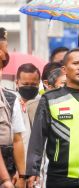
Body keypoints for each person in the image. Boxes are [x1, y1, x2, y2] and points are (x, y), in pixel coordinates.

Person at [26, 48, 79, 188]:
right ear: (64, 69)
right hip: (59, 177)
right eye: (76, 63)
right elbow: (37, 137)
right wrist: (32, 170)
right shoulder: (50, 98)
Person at [0, 38, 18, 188]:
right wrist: (5, 179)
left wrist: (21, 171)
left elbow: (18, 137)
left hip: (9, 165)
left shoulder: (10, 97)